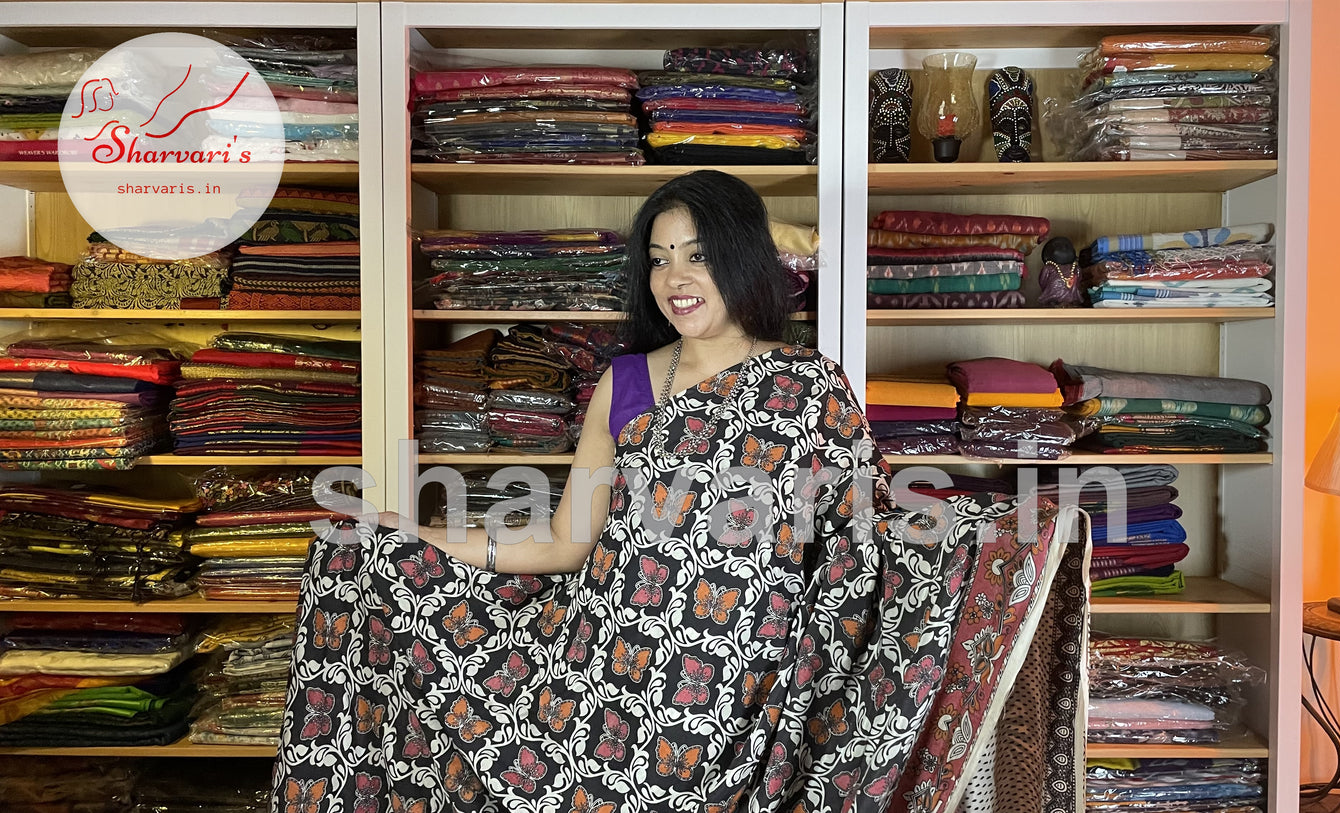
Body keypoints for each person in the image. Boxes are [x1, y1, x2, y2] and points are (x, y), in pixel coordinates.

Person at [272, 170, 1065, 813]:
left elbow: (867, 537)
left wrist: (998, 531)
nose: (675, 278)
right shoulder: (621, 384)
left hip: (733, 689)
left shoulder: (807, 387)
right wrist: (418, 538)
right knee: (359, 563)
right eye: (658, 258)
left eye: (696, 254)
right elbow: (563, 542)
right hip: (600, 668)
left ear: (743, 259)